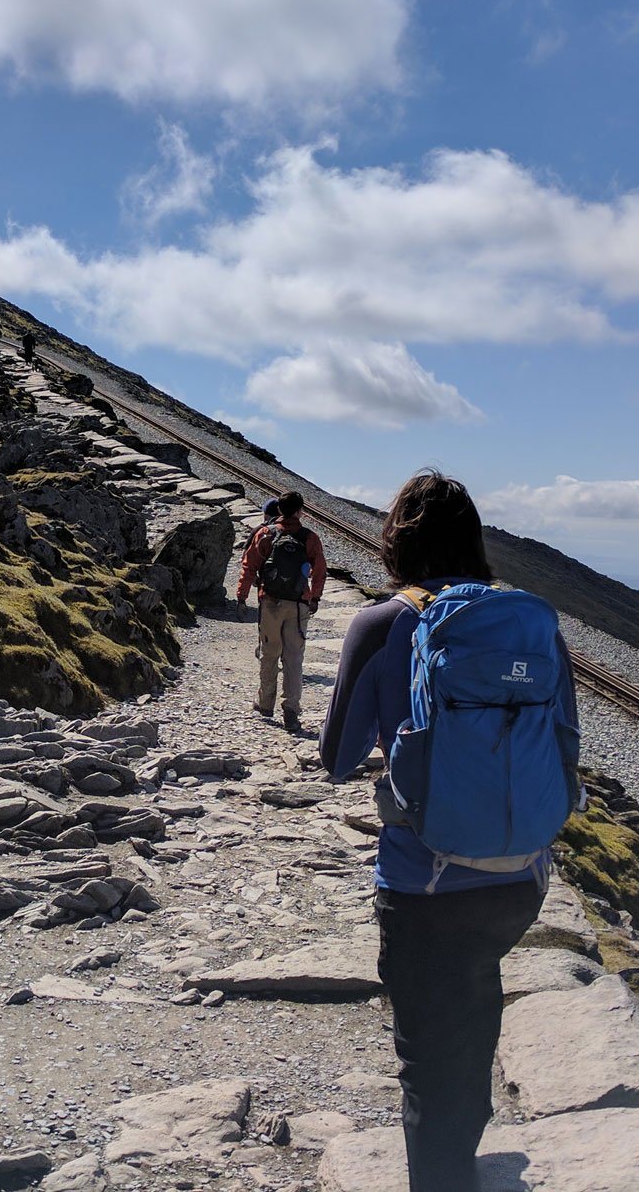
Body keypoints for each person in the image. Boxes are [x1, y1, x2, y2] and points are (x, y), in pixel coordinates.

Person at [319, 471, 581, 1192]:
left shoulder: (381, 624)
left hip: (423, 881)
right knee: (474, 1001)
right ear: (474, 540)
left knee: (426, 1058)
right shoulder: (532, 620)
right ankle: (462, 1156)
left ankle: (443, 1176)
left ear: (395, 543)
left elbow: (336, 759)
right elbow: (566, 742)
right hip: (519, 877)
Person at [235, 490, 325, 732]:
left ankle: (265, 703)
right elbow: (320, 569)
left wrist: (241, 597)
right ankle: (291, 710)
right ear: (299, 511)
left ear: (278, 510)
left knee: (269, 653)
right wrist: (315, 596)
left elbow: (249, 565)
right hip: (297, 605)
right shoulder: (309, 537)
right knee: (294, 658)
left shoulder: (266, 534)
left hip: (270, 601)